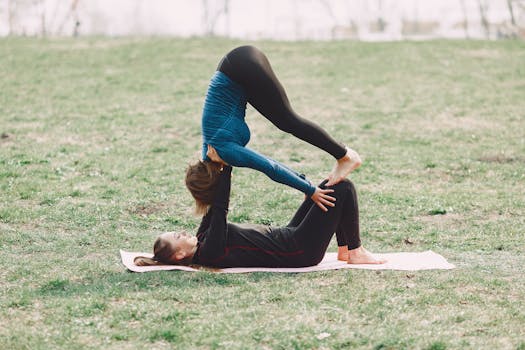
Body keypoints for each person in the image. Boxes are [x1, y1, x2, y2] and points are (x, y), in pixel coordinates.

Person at [187, 45, 362, 214]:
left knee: (289, 121)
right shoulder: (210, 153)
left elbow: (271, 167)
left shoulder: (224, 152)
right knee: (285, 122)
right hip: (239, 65)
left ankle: (345, 155)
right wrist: (303, 183)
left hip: (242, 67)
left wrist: (310, 190)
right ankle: (342, 155)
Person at [135, 165, 385, 268]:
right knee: (343, 188)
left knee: (325, 187)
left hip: (288, 235)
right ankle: (355, 250)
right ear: (179, 254)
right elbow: (220, 209)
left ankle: (344, 249)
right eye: (178, 236)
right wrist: (228, 166)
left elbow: (211, 205)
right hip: (298, 250)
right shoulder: (210, 251)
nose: (183, 232)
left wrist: (217, 162)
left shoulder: (202, 239)